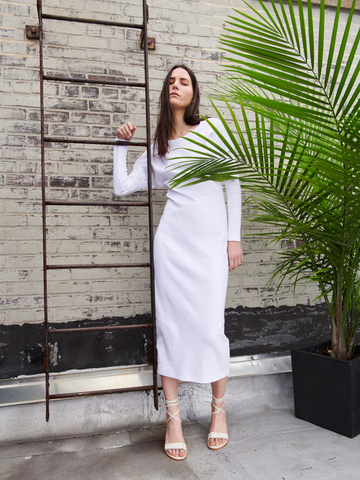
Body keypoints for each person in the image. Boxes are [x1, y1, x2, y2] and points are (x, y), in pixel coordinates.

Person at [113, 65, 243, 461]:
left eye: (184, 81)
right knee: (169, 328)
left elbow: (232, 182)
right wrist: (120, 146)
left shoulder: (213, 131)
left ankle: (217, 411)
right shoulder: (157, 147)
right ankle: (173, 419)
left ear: (194, 92)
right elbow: (122, 188)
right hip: (172, 245)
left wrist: (232, 237)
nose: (176, 85)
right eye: (171, 81)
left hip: (208, 247)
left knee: (209, 327)